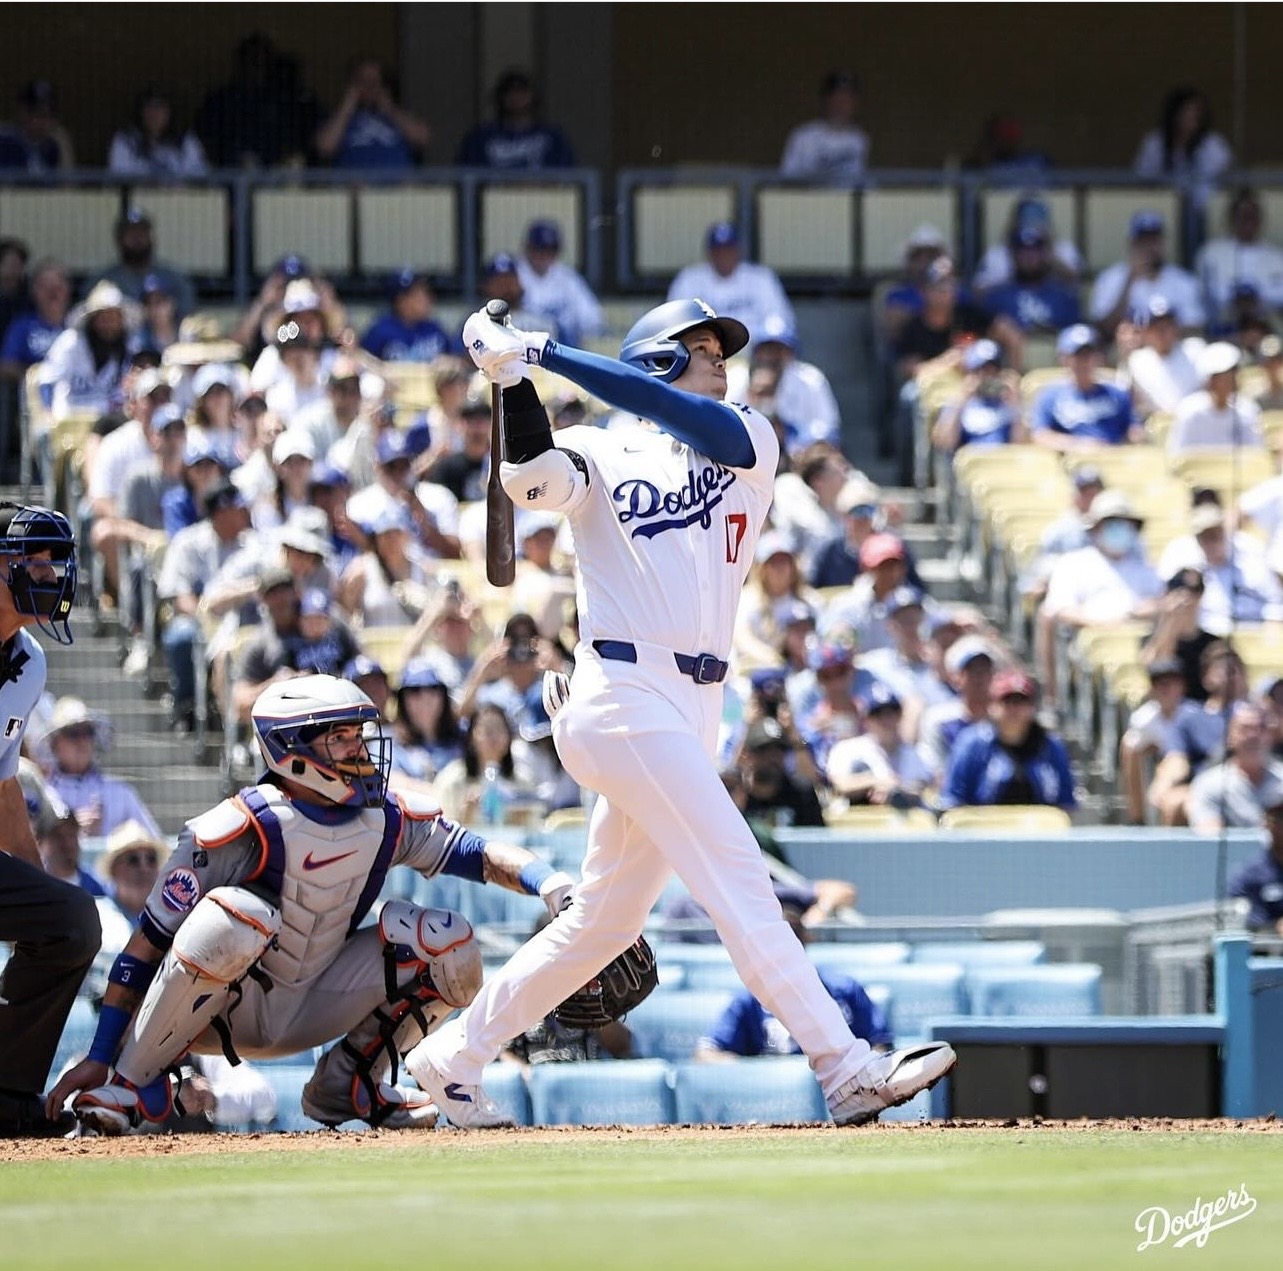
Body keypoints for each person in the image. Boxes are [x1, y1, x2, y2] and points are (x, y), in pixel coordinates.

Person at [399, 295, 956, 1128]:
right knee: (736, 869)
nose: (721, 360)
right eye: (700, 348)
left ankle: (452, 1058)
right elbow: (528, 480)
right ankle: (844, 1067)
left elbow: (675, 411)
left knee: (603, 922)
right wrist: (510, 379)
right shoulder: (597, 446)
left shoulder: (748, 438)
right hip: (621, 690)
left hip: (695, 702)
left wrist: (539, 350)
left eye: (720, 349)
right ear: (655, 356)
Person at [46, 674, 580, 1134]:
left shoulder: (387, 815)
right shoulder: (239, 826)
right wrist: (101, 1055)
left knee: (453, 944)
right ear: (294, 746)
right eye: (341, 737)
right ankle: (132, 1083)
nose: (359, 749)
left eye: (358, 735)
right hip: (223, 1018)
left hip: (321, 1000)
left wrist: (551, 883)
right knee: (235, 914)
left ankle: (350, 1081)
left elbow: (476, 853)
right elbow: (145, 948)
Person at [0, 506, 99, 1137]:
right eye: (33, 561)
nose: (48, 574)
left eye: (53, 561)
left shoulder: (28, 662)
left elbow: (5, 782)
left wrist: (35, 901)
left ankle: (7, 1097)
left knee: (70, 921)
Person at [697, 898, 891, 1060]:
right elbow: (707, 1053)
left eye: (791, 942)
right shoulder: (749, 999)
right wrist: (752, 1073)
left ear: (804, 940)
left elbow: (881, 1045)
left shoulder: (845, 989)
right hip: (777, 1098)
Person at [941, 669, 1076, 810]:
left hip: (1037, 829)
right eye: (1007, 701)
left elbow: (1065, 802)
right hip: (983, 828)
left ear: (1033, 707)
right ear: (992, 706)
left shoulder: (1051, 747)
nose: (1014, 709)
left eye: (1021, 702)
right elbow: (953, 799)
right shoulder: (971, 744)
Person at [37, 697, 160, 840]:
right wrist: (71, 829)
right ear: (54, 744)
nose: (82, 741)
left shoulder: (122, 794)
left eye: (88, 732)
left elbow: (154, 843)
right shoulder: (44, 797)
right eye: (73, 733)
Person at [195, 32, 321, 169]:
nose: (258, 68)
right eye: (253, 61)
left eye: (264, 63)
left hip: (275, 177)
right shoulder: (220, 100)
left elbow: (302, 143)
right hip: (229, 176)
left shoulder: (285, 101)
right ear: (240, 63)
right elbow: (202, 144)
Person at [725, 313, 841, 455]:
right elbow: (724, 426)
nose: (772, 356)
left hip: (800, 459)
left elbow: (829, 429)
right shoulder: (736, 378)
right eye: (767, 349)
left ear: (790, 353)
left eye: (779, 349)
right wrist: (754, 400)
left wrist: (789, 434)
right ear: (756, 352)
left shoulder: (809, 379)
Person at [667, 223, 796, 346]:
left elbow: (779, 320)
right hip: (704, 352)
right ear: (709, 253)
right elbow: (674, 321)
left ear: (738, 251)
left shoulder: (761, 278)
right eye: (719, 250)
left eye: (728, 249)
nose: (724, 255)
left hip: (752, 352)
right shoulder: (689, 279)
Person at [1089, 212, 1204, 338]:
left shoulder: (1182, 281)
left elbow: (1194, 327)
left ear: (1163, 243)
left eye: (1153, 240)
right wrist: (1130, 281)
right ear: (1131, 244)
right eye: (1143, 241)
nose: (1149, 247)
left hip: (1170, 351)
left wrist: (1152, 336)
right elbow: (1104, 329)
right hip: (1125, 351)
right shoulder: (1110, 279)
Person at [826, 684, 934, 813]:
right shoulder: (847, 748)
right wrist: (874, 782)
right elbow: (837, 785)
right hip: (856, 825)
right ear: (866, 720)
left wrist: (896, 790)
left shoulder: (917, 754)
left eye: (892, 713)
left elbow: (928, 790)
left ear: (900, 716)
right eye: (878, 714)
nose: (886, 720)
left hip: (906, 828)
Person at [1031, 325, 1142, 450]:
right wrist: (1079, 445)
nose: (1084, 361)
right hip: (1069, 462)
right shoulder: (1050, 396)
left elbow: (1134, 432)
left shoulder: (1117, 393)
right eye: (1078, 356)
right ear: (1064, 359)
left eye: (1089, 355)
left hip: (1112, 458)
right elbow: (1040, 436)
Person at [37, 280, 133, 423]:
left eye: (114, 319)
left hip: (109, 422)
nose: (110, 326)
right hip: (70, 422)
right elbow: (47, 381)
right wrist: (48, 415)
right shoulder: (71, 343)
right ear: (92, 320)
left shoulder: (128, 347)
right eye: (104, 319)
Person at [314, 57, 429, 170]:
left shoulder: (398, 116)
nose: (369, 87)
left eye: (375, 81)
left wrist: (390, 110)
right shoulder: (340, 120)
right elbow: (325, 148)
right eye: (363, 81)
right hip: (355, 186)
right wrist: (347, 107)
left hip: (397, 186)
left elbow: (423, 138)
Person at [1185, 702, 1283, 832]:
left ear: (1270, 736)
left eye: (1261, 728)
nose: (1253, 736)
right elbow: (1209, 838)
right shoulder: (1209, 784)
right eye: (1245, 729)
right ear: (1229, 737)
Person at [1195, 188, 1283, 328]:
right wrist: (1235, 300)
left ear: (1260, 219)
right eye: (1241, 216)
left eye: (1252, 216)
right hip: (1224, 326)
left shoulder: (1277, 256)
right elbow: (1206, 293)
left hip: (1268, 326)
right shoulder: (1211, 252)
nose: (1247, 221)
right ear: (1231, 218)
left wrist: (1258, 300)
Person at [1133, 87, 1232, 211]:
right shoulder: (1155, 143)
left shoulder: (1213, 144)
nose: (1192, 116)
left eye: (1196, 112)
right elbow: (1143, 178)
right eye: (1187, 111)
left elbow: (1223, 176)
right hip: (1163, 211)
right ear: (1175, 114)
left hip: (1204, 211)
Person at [456, 68, 575, 169]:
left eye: (522, 92)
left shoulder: (553, 137)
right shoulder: (480, 137)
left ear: (533, 97)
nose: (516, 97)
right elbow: (464, 175)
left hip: (541, 194)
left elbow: (568, 174)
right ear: (500, 97)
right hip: (493, 195)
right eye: (510, 92)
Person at [94, 207, 197, 324]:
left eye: (142, 233)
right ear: (119, 239)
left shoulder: (175, 279)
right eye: (131, 233)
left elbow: (187, 319)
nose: (137, 239)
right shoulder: (102, 280)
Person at [515, 221, 606, 349]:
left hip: (563, 349)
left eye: (550, 250)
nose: (544, 255)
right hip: (525, 351)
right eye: (540, 249)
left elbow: (592, 318)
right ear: (529, 248)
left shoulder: (566, 277)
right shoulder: (514, 275)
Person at [1166, 342, 1264, 455]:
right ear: (1209, 380)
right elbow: (1178, 456)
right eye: (1220, 376)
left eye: (1232, 372)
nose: (1229, 379)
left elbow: (1256, 455)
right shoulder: (1189, 411)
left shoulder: (1248, 410)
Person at [932, 338, 1027, 453]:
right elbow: (945, 443)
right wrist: (960, 401)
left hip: (1003, 465)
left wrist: (1015, 406)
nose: (987, 376)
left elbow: (1020, 446)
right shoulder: (958, 402)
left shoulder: (1010, 404)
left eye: (993, 370)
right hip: (971, 465)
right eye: (981, 371)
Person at [779, 70, 869, 185]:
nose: (840, 105)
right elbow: (786, 180)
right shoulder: (803, 136)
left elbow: (864, 182)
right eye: (836, 98)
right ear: (826, 100)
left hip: (846, 201)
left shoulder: (860, 139)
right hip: (809, 200)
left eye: (846, 99)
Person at [1124, 295, 1206, 416]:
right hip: (1159, 425)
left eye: (1167, 326)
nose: (1162, 332)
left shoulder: (1195, 349)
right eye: (1156, 327)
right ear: (1146, 332)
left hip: (1197, 420)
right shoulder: (1137, 361)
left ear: (1176, 328)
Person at [107, 87, 208, 178]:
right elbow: (119, 177)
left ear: (169, 112)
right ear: (140, 111)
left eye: (160, 107)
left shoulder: (186, 140)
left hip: (178, 197)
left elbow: (199, 175)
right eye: (149, 107)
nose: (154, 113)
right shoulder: (125, 140)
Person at [360, 269, 452, 364]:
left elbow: (454, 359)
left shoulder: (434, 329)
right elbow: (363, 362)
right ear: (401, 300)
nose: (428, 299)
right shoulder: (380, 332)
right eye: (419, 294)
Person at [1228, 787, 1283, 935]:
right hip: (1268, 954)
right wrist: (1275, 928)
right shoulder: (1248, 877)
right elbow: (1249, 928)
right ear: (1267, 822)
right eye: (1281, 817)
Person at [0, 80, 74, 172]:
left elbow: (68, 184)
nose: (41, 121)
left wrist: (64, 146)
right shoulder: (5, 141)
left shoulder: (53, 146)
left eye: (47, 115)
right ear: (21, 112)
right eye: (34, 113)